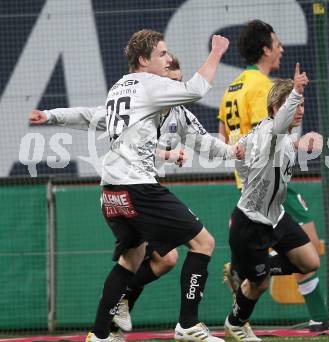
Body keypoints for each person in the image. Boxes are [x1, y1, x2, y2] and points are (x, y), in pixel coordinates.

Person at [34, 29, 230, 342]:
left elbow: (90, 116)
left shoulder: (120, 90)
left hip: (111, 191)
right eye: (162, 54)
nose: (168, 62)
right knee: (203, 243)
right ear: (143, 60)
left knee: (134, 259)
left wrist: (50, 114)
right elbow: (196, 89)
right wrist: (217, 51)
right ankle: (188, 325)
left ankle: (100, 335)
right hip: (138, 188)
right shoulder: (152, 85)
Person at [218, 19, 329, 332]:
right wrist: (304, 144)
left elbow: (224, 137)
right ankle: (318, 317)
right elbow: (270, 136)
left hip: (250, 185)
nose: (282, 49)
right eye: (277, 43)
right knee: (310, 248)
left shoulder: (233, 87)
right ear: (265, 50)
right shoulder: (262, 87)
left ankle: (317, 318)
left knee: (307, 256)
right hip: (270, 185)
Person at [224, 76, 321, 342]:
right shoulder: (271, 130)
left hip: (276, 216)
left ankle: (242, 269)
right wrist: (296, 89)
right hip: (251, 221)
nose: (300, 110)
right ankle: (236, 322)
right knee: (259, 284)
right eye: (295, 104)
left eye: (302, 104)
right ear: (277, 107)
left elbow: (258, 155)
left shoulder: (278, 135)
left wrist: (304, 143)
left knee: (310, 261)